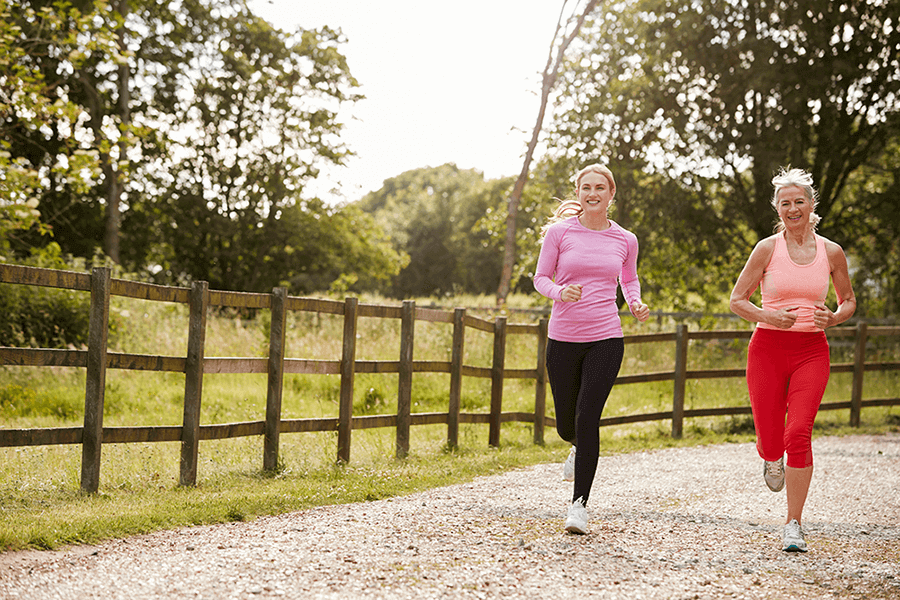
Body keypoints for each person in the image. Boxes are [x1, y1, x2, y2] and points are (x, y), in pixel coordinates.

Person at [729, 167, 856, 552]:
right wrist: (768, 316)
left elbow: (848, 300)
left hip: (811, 351)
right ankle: (770, 457)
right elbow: (737, 300)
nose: (793, 208)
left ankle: (793, 524)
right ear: (778, 208)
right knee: (772, 438)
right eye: (785, 203)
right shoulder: (767, 248)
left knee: (798, 432)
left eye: (799, 201)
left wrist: (833, 317)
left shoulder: (831, 252)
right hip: (767, 348)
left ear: (812, 204)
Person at [533, 163, 650, 534]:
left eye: (600, 187)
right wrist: (558, 291)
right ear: (579, 192)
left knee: (587, 418)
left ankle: (579, 506)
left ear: (611, 194)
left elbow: (628, 278)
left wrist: (635, 302)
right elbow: (540, 278)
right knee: (566, 424)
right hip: (563, 338)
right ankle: (575, 447)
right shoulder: (559, 232)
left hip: (606, 338)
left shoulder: (625, 239)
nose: (593, 193)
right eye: (586, 187)